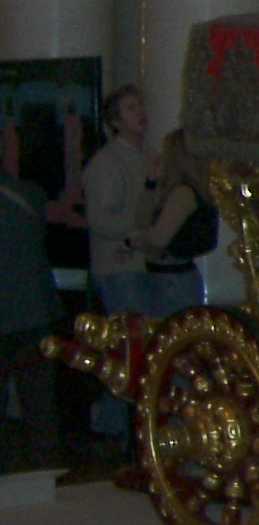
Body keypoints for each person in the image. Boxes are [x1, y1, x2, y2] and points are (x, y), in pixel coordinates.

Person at [80, 86, 150, 445]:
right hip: (119, 267)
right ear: (115, 121)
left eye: (140, 106)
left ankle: (117, 422)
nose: (140, 112)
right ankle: (114, 424)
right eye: (131, 108)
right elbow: (101, 219)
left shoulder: (143, 158)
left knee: (134, 348)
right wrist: (142, 229)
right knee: (129, 348)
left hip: (138, 265)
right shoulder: (107, 163)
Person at [0, 168, 62, 471]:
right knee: (39, 396)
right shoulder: (32, 193)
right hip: (37, 308)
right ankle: (47, 464)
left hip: (5, 311)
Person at [134, 130, 212, 319]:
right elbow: (141, 219)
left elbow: (158, 238)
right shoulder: (175, 189)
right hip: (168, 277)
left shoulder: (183, 193)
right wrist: (151, 182)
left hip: (172, 279)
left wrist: (132, 243)